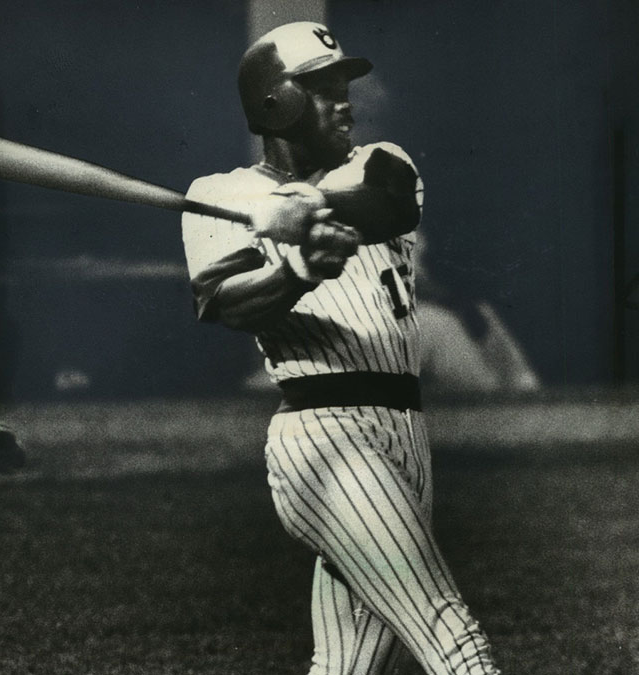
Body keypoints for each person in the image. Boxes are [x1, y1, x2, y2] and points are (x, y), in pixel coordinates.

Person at [179, 21, 502, 675]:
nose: (344, 101)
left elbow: (388, 204)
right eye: (322, 89)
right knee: (453, 637)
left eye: (341, 86)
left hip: (406, 434)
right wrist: (293, 271)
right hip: (325, 438)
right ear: (278, 103)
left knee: (349, 666)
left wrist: (304, 204)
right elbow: (227, 303)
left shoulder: (382, 161)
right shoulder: (218, 196)